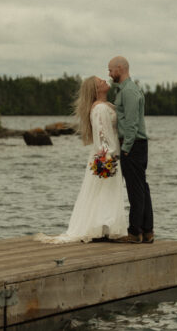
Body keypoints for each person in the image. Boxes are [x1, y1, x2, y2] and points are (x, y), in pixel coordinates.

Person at [37, 76, 128, 243]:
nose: (104, 81)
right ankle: (100, 226)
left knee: (106, 191)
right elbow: (102, 133)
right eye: (100, 81)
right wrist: (108, 154)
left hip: (110, 153)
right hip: (106, 155)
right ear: (95, 90)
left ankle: (104, 226)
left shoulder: (106, 105)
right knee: (104, 190)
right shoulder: (100, 108)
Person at [108, 55, 154, 243]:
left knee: (136, 189)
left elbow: (132, 123)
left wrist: (126, 147)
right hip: (135, 144)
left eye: (111, 70)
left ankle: (135, 232)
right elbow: (124, 115)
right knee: (141, 187)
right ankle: (147, 231)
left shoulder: (129, 91)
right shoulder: (124, 90)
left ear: (120, 68)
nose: (109, 74)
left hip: (133, 145)